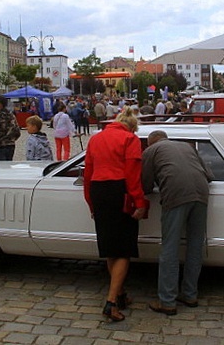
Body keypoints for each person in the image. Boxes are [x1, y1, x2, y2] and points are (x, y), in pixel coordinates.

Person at [83, 107, 148, 322]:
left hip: (99, 192)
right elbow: (132, 176)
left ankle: (120, 295)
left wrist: (91, 203)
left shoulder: (96, 139)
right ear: (132, 127)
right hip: (120, 192)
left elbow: (88, 174)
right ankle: (110, 302)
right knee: (123, 250)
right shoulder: (130, 140)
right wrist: (139, 202)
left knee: (111, 247)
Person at [141, 130, 211, 316]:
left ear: (150, 143)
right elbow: (208, 174)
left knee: (169, 249)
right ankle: (190, 294)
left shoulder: (151, 150)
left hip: (176, 195)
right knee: (195, 245)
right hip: (201, 194)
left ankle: (167, 301)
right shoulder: (187, 146)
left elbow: (145, 184)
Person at [0, 95, 21, 161]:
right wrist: (11, 139)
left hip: (0, 146)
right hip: (11, 145)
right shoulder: (11, 115)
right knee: (8, 166)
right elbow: (17, 131)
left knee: (1, 167)